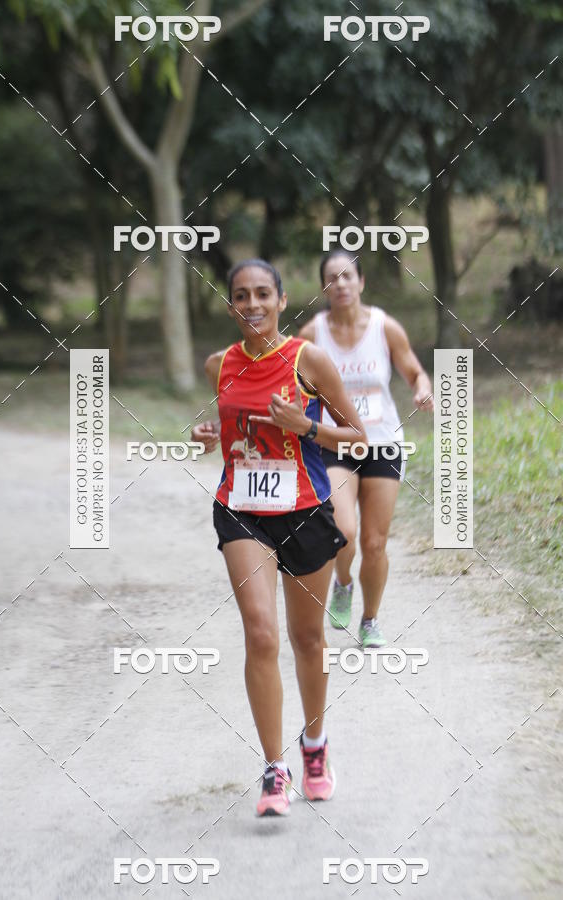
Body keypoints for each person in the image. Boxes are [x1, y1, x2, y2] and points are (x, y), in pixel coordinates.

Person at [191, 258, 365, 817]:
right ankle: (274, 768)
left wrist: (306, 427)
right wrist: (205, 433)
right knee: (261, 634)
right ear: (231, 305)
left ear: (282, 299)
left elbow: (357, 437)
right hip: (241, 509)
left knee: (306, 639)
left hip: (305, 509)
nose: (252, 304)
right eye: (241, 295)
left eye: (263, 293)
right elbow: (226, 424)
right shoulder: (220, 363)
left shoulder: (307, 360)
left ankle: (314, 745)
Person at [298, 250, 434, 648]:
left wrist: (422, 390)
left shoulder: (384, 327)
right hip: (336, 442)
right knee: (343, 530)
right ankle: (342, 584)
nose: (340, 284)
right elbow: (291, 384)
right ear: (323, 288)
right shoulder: (311, 335)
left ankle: (370, 619)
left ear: (361, 282)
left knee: (375, 543)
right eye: (331, 278)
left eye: (347, 276)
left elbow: (412, 370)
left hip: (383, 443)